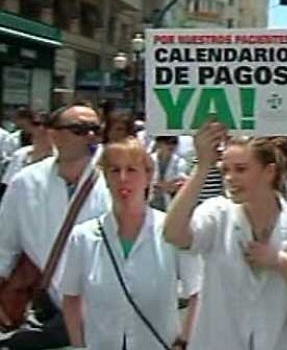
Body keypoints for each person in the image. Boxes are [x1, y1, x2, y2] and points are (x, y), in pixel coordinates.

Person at [163, 122, 287, 350]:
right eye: (224, 170)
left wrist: (282, 262)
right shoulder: (216, 214)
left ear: (269, 172)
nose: (230, 178)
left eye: (241, 169)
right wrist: (202, 168)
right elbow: (173, 234)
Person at [59, 137, 200, 350]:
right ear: (105, 178)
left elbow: (197, 292)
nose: (123, 178)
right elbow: (70, 297)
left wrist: (184, 342)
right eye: (114, 171)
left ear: (148, 176)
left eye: (132, 170)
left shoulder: (171, 231)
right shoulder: (83, 237)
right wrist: (79, 345)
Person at [0, 103, 111, 349]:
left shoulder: (114, 180)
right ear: (53, 134)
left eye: (95, 129)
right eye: (79, 129)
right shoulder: (26, 182)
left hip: (106, 308)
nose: (90, 135)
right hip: (50, 307)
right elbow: (5, 244)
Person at [0, 112, 55, 194]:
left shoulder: (60, 156)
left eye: (46, 125)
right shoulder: (21, 155)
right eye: (36, 124)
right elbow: (7, 185)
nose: (41, 128)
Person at [150, 136, 190, 212]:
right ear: (159, 144)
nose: (171, 146)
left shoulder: (180, 162)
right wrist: (166, 185)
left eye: (174, 143)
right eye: (168, 143)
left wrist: (158, 186)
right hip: (150, 205)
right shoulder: (148, 160)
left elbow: (180, 185)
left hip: (170, 206)